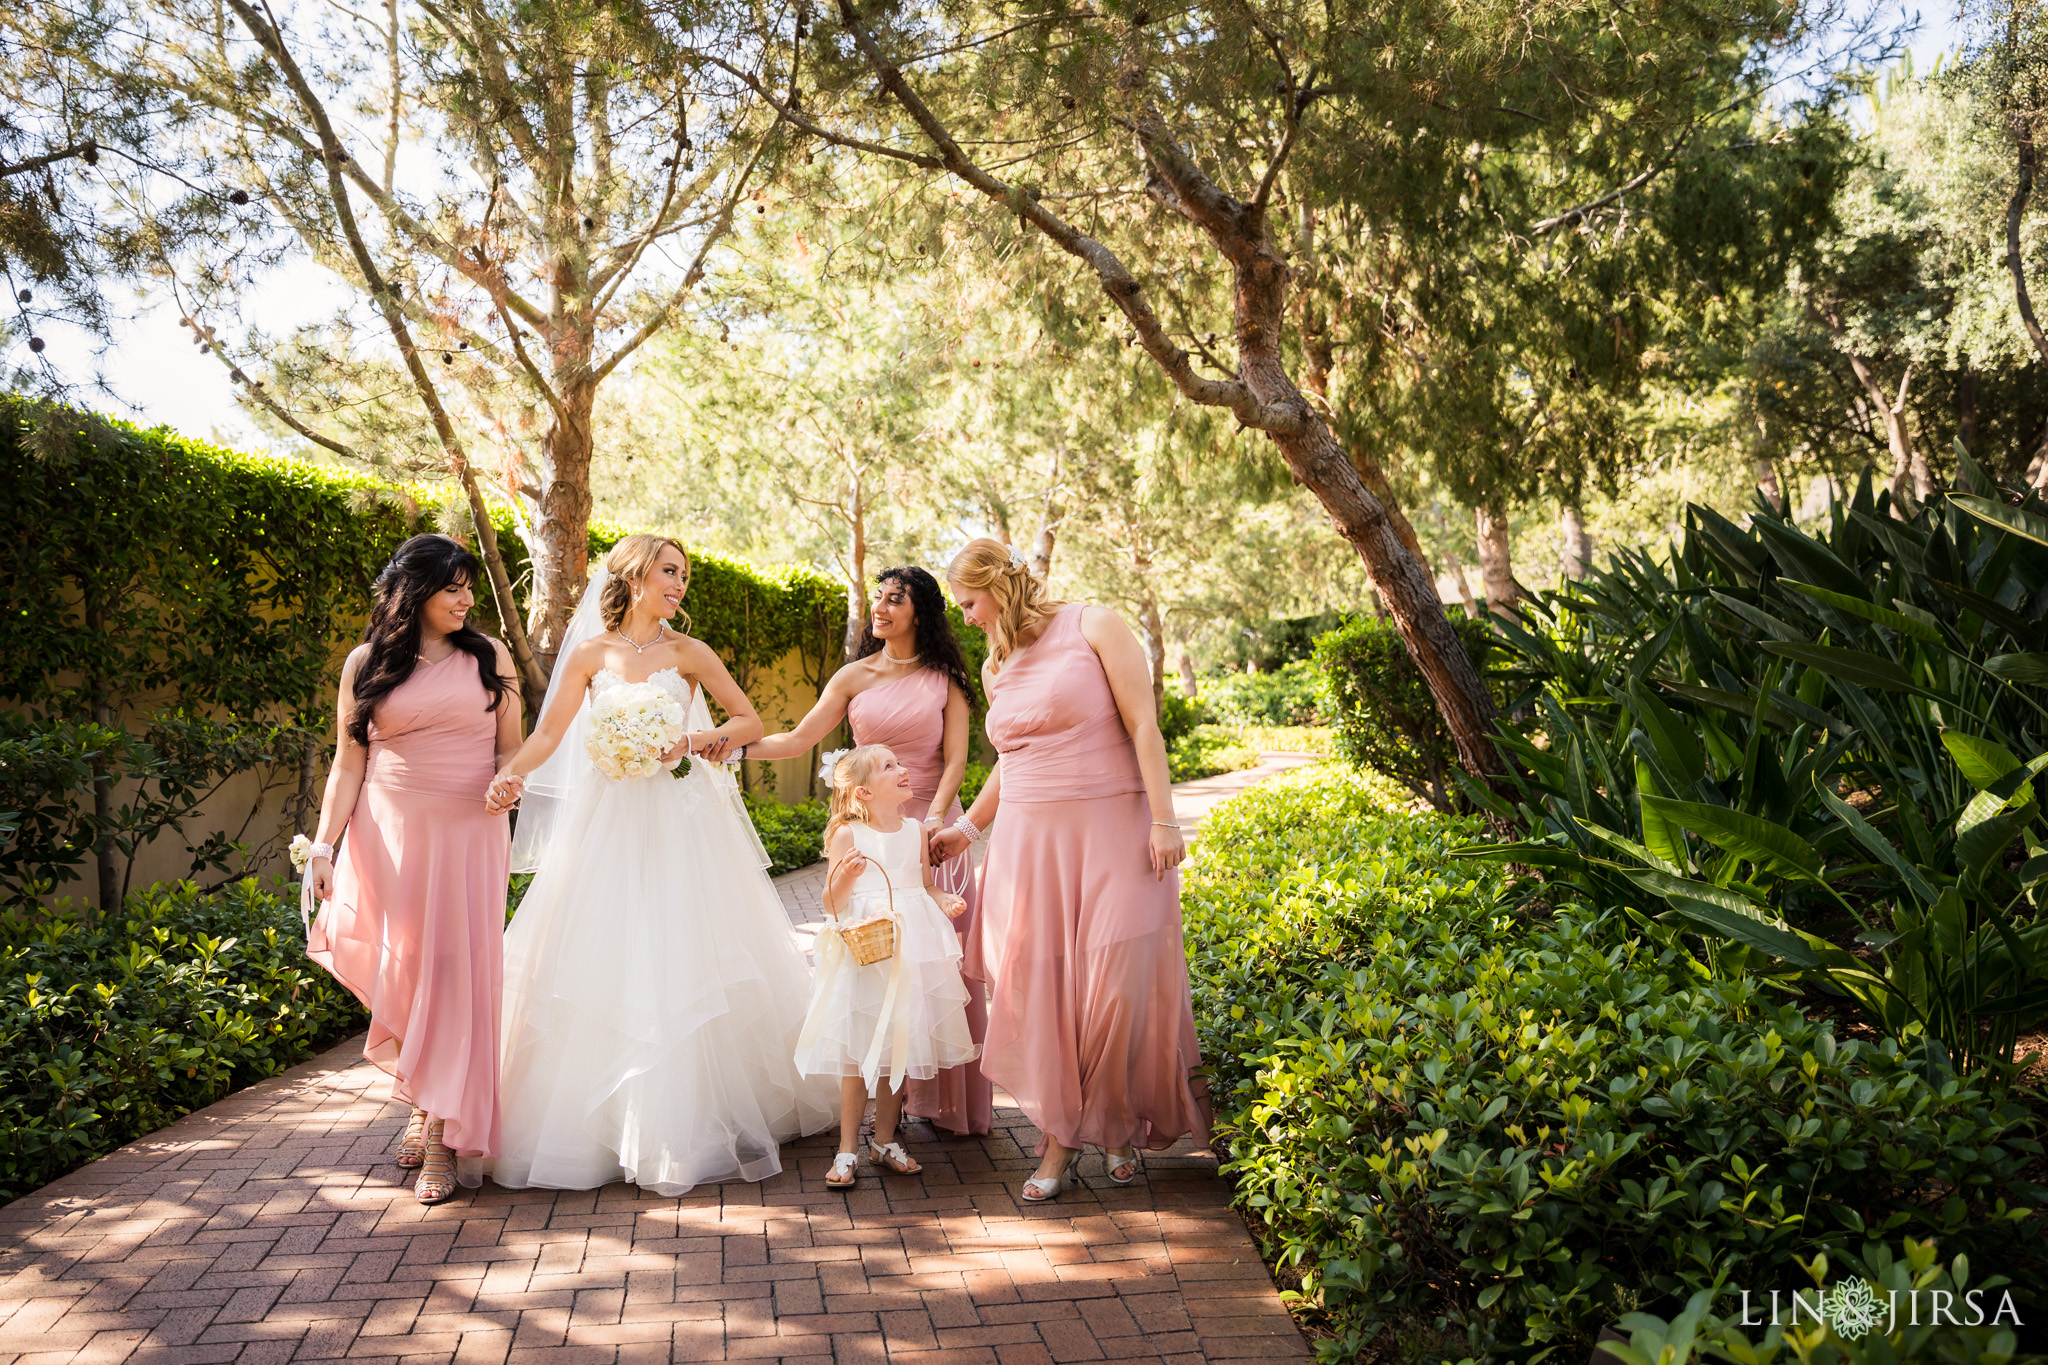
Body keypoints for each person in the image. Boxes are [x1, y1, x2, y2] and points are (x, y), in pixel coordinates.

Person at [482, 534, 836, 1194]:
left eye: (685, 573)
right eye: (670, 570)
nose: (680, 582)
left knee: (684, 948)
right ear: (635, 575)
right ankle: (602, 1127)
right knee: (602, 952)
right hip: (609, 820)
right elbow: (550, 735)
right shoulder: (591, 653)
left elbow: (749, 720)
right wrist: (511, 775)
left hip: (681, 821)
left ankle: (685, 1121)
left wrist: (699, 738)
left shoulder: (689, 652)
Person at [929, 538, 1211, 1202]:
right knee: (1049, 991)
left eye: (968, 603)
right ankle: (1063, 1139)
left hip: (1116, 830)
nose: (966, 618)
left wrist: (1167, 821)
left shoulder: (1095, 624)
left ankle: (1111, 1121)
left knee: (1113, 991)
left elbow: (1145, 726)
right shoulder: (998, 665)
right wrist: (966, 829)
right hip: (1032, 843)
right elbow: (1012, 759)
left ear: (997, 587)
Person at [304, 533, 521, 1205]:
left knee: (456, 973)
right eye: (451, 586)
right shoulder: (364, 663)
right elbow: (348, 762)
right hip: (390, 834)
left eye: (467, 587)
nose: (465, 599)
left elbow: (514, 750)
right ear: (415, 590)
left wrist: (509, 785)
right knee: (411, 970)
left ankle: (438, 1140)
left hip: (469, 832)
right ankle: (424, 1103)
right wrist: (322, 843)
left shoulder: (490, 657)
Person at [742, 566, 994, 1136]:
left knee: (940, 963)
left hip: (932, 831)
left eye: (894, 599)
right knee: (875, 962)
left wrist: (933, 822)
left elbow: (957, 759)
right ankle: (884, 1108)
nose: (880, 607)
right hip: (870, 826)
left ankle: (942, 1101)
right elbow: (798, 739)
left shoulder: (945, 677)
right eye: (877, 597)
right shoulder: (853, 676)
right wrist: (728, 747)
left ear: (920, 611)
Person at [796, 745, 978, 1188]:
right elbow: (831, 903)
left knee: (900, 1043)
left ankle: (883, 1141)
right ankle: (846, 1149)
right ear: (863, 791)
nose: (903, 770)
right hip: (865, 952)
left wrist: (944, 900)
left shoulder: (916, 830)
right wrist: (847, 877)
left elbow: (926, 885)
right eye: (889, 767)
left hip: (911, 947)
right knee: (858, 1054)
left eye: (900, 762)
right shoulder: (848, 835)